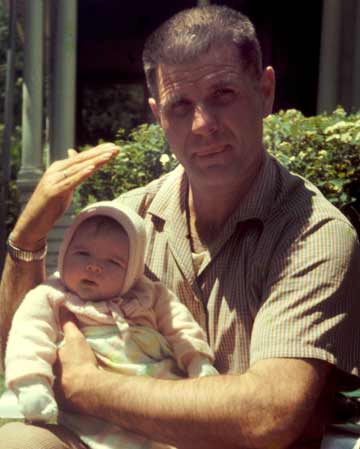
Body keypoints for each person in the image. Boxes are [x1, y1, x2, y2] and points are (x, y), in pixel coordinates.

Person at [0, 4, 359, 449]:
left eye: (223, 94)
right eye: (180, 105)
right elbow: (24, 347)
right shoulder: (127, 221)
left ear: (265, 91)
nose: (203, 125)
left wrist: (89, 387)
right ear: (157, 114)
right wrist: (28, 239)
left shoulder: (314, 234)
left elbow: (269, 416)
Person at [5, 201, 217, 449]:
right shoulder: (51, 295)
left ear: (134, 271)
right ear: (64, 253)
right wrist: (31, 382)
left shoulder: (150, 294)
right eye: (83, 253)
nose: (93, 266)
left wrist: (198, 362)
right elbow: (28, 337)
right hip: (91, 424)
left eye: (113, 262)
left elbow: (181, 328)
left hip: (162, 410)